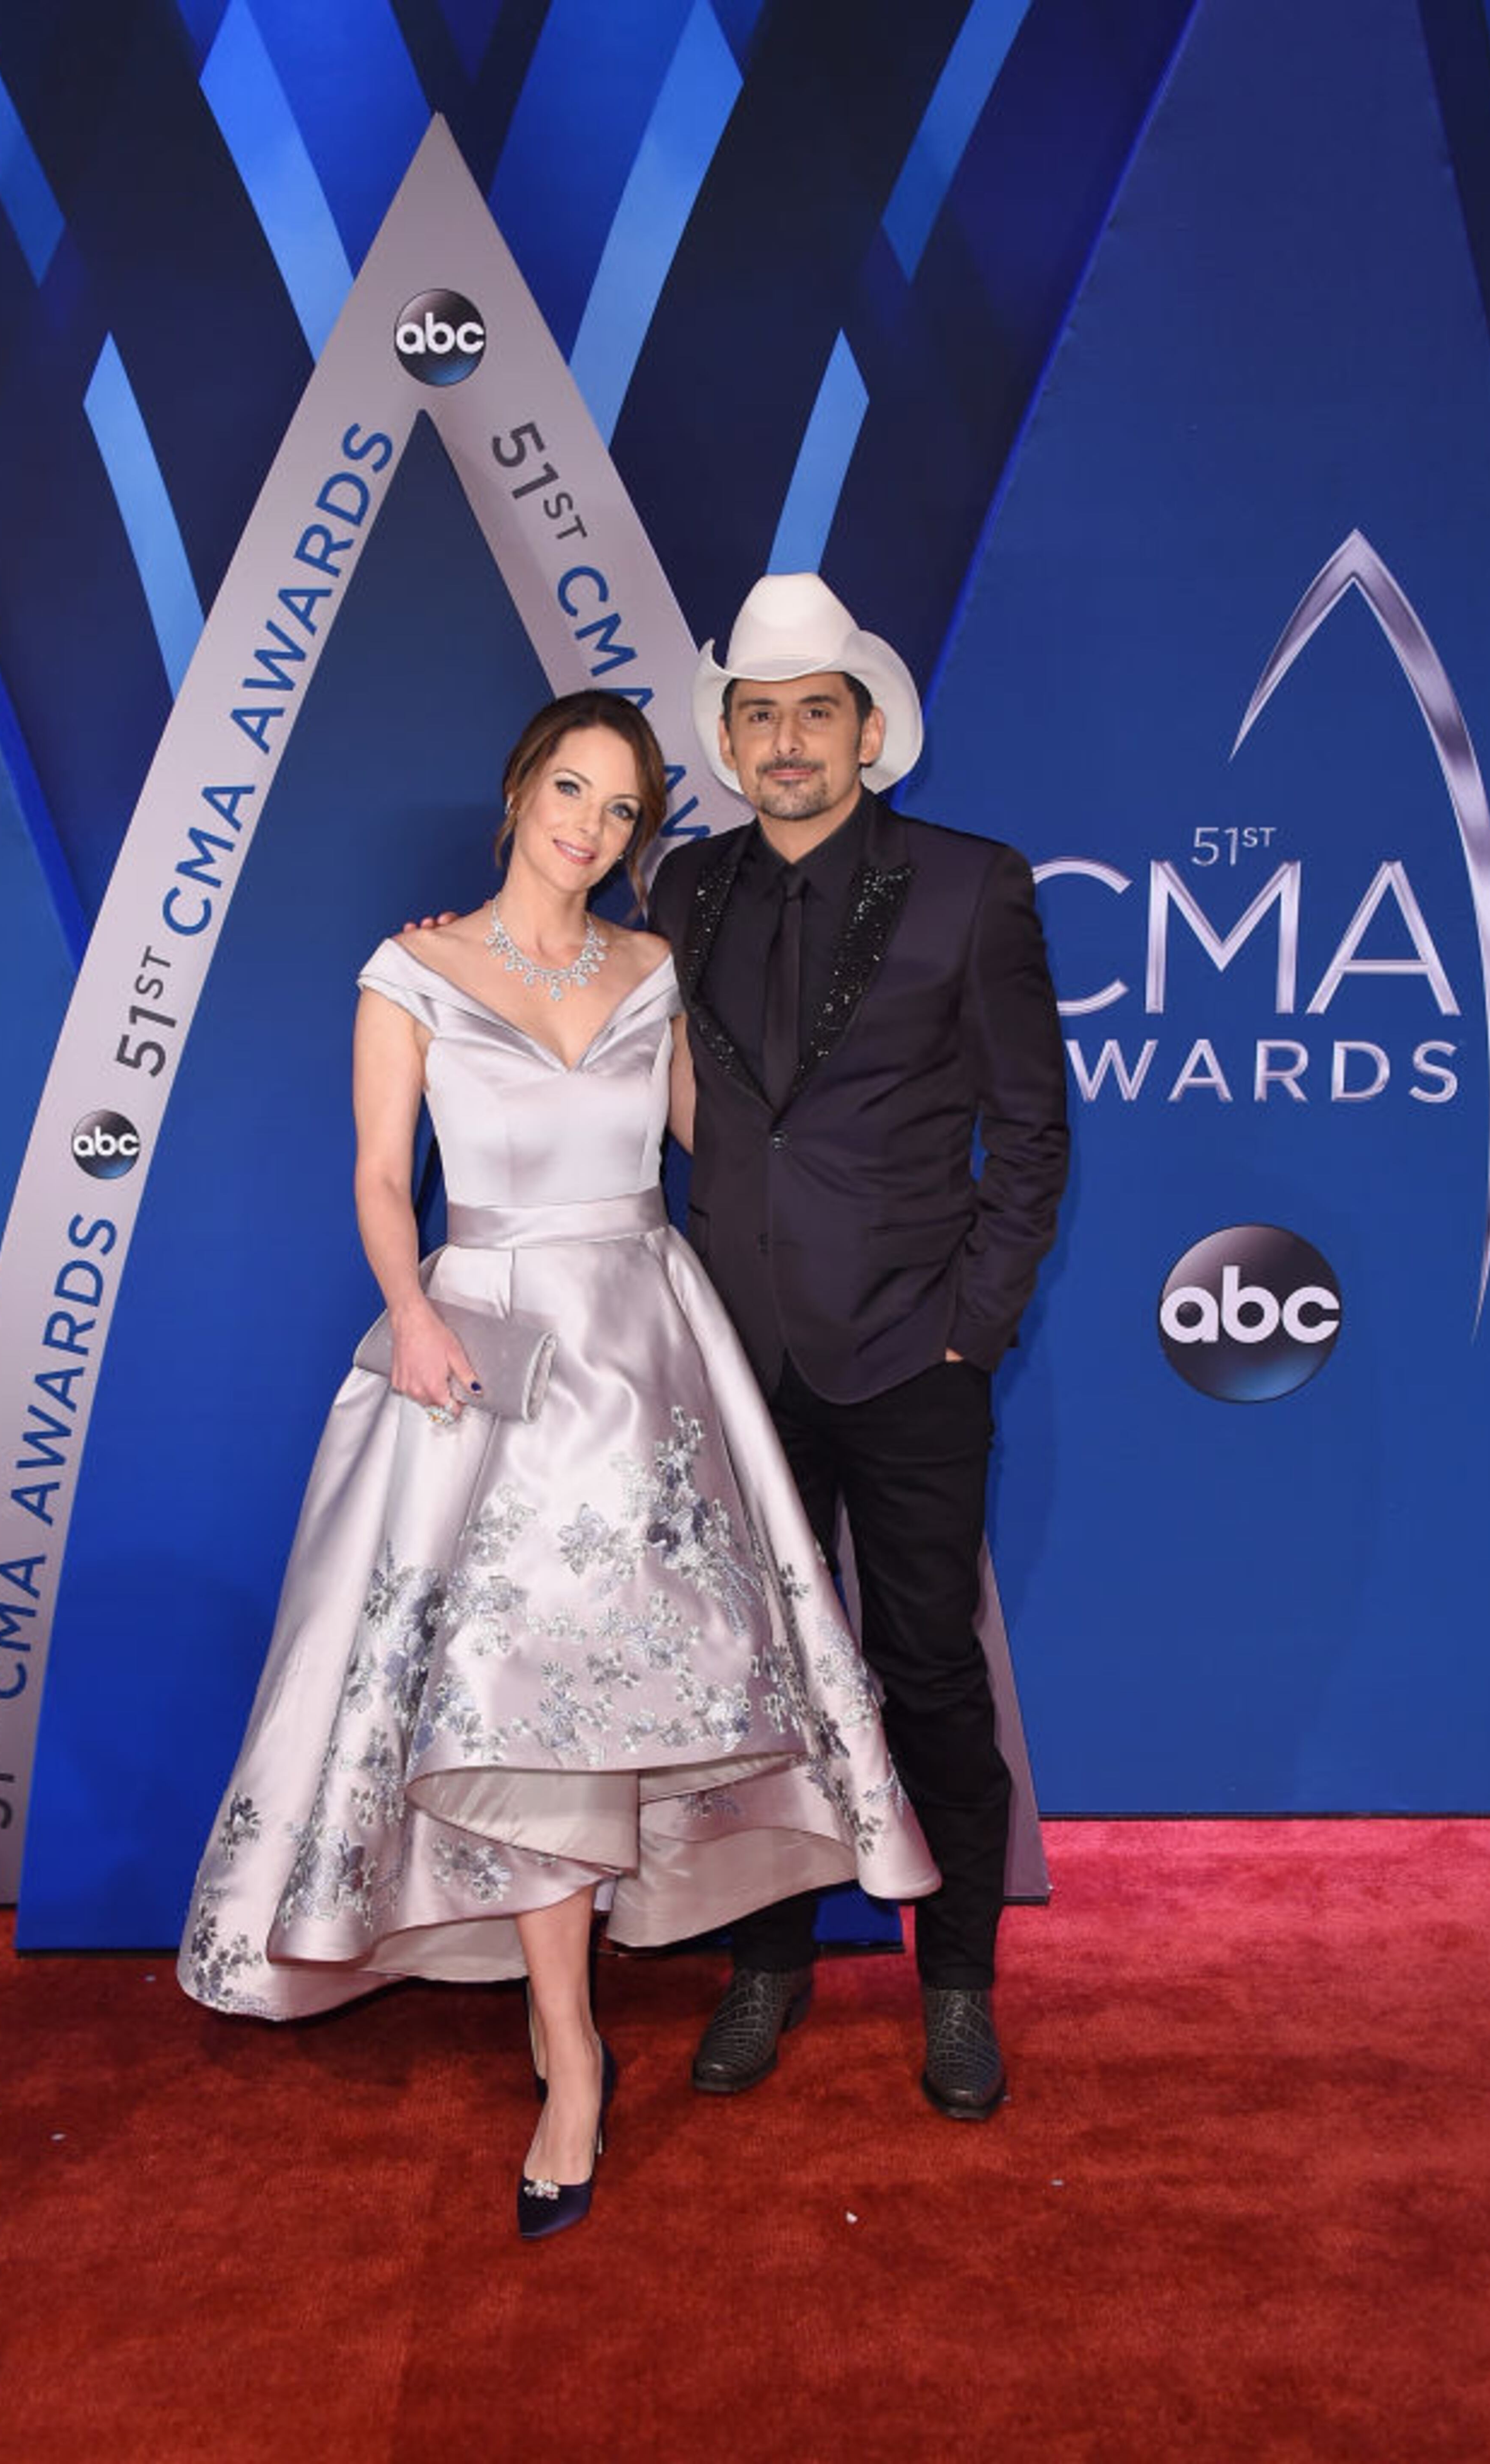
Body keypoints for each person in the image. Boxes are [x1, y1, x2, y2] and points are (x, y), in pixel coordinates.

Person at [176, 687, 936, 2239]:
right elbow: (387, 1179)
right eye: (571, 792)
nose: (589, 828)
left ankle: (568, 2017)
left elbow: (739, 1151)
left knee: (622, 1683)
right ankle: (571, 2046)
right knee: (510, 1695)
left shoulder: (657, 972)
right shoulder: (411, 969)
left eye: (622, 811)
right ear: (521, 785)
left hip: (649, 1357)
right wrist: (408, 1315)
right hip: (486, 1356)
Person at [646, 574, 1069, 2121]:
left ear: (869, 731)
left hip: (910, 1358)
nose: (785, 743)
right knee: (754, 1686)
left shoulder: (973, 886)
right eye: (758, 718)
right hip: (737, 1364)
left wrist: (973, 1331)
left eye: (813, 712)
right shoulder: (684, 893)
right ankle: (768, 1960)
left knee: (929, 1676)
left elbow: (1031, 1133)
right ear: (732, 743)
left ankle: (956, 1978)